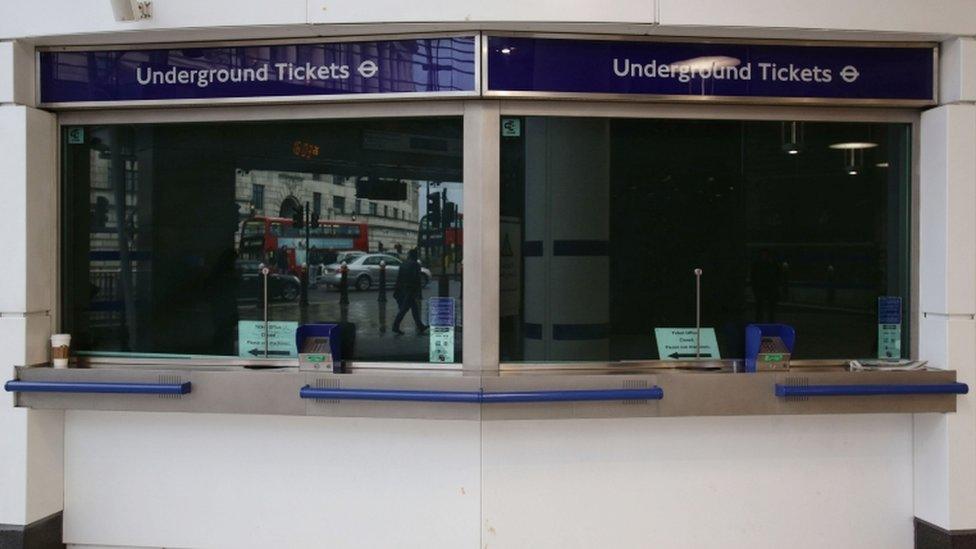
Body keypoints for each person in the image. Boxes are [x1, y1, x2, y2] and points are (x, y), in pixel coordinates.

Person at [392, 249, 427, 335]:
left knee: (414, 308)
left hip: (403, 289)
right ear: (415, 256)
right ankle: (395, 326)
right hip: (410, 290)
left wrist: (397, 290)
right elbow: (416, 279)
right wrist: (418, 292)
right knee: (404, 309)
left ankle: (420, 326)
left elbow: (399, 278)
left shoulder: (403, 264)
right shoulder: (416, 265)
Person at [750, 249, 780, 322]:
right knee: (760, 306)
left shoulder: (771, 264)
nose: (764, 256)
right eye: (763, 254)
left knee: (769, 307)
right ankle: (760, 320)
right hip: (761, 287)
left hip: (768, 287)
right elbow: (753, 276)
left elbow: (777, 275)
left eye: (765, 254)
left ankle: (769, 320)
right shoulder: (758, 264)